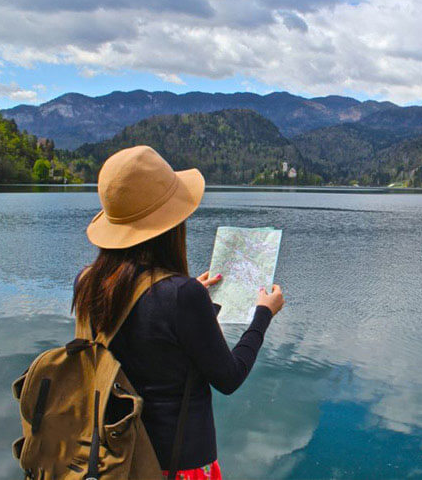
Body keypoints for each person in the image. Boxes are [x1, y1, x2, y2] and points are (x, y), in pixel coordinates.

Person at [72, 145, 284, 479]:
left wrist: (193, 298)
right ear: (172, 223)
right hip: (176, 465)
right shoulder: (181, 296)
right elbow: (229, 377)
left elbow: (147, 331)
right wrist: (263, 315)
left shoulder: (87, 281)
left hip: (114, 459)